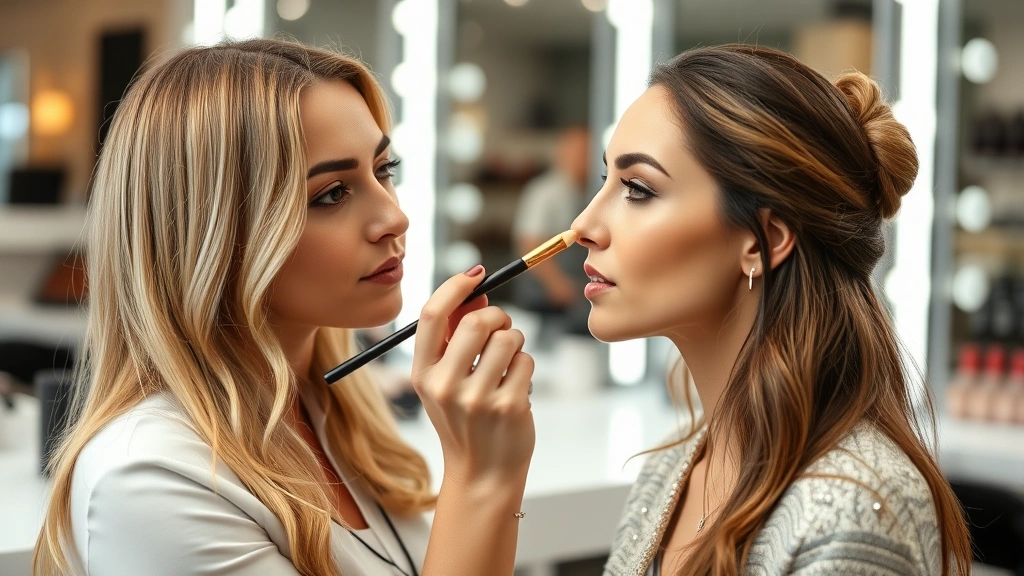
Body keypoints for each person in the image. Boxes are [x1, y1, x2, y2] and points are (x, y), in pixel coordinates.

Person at [34, 39, 535, 576]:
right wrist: (482, 475)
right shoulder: (151, 478)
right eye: (332, 194)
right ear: (213, 233)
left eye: (385, 170)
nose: (394, 217)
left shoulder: (338, 419)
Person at [571, 45, 971, 575]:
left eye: (638, 189)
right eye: (605, 182)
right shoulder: (668, 475)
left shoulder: (851, 510)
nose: (582, 226)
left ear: (763, 241)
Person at [512, 127, 589, 324]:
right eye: (578, 151)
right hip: (544, 299)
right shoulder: (544, 192)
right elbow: (530, 244)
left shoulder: (587, 191)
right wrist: (557, 284)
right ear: (561, 153)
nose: (585, 157)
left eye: (588, 151)